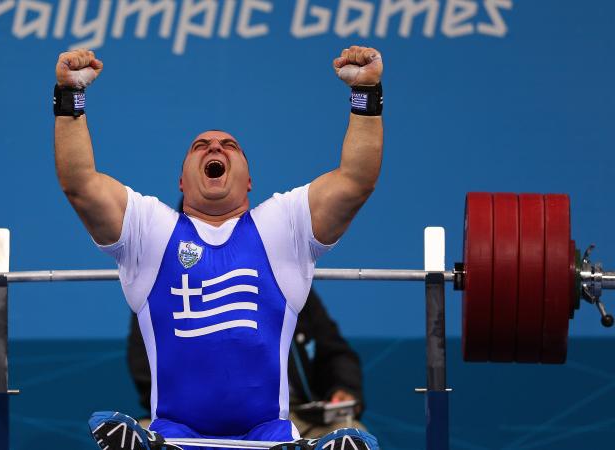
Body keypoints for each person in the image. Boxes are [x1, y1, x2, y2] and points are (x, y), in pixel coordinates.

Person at [53, 44, 384, 450]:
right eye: (200, 146)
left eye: (229, 146)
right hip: (175, 434)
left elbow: (355, 181)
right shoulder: (149, 229)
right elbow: (80, 184)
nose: (214, 148)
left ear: (249, 182)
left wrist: (365, 94)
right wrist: (71, 96)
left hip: (270, 434)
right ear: (181, 182)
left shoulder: (284, 225)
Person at [127, 288, 367, 437]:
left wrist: (343, 389)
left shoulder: (289, 282)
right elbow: (145, 368)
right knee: (139, 438)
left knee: (349, 434)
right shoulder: (160, 289)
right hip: (193, 421)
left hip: (288, 416)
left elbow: (334, 352)